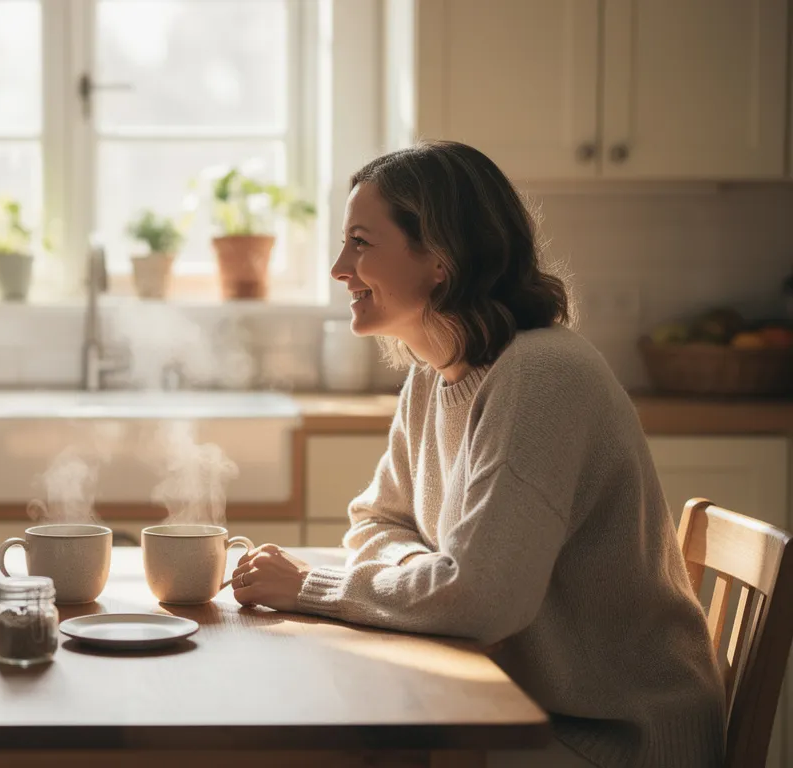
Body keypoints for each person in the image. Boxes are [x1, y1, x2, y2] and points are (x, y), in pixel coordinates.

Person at [228, 141, 725, 768]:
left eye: (361, 242)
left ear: (439, 258)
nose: (338, 268)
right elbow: (378, 523)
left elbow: (483, 600)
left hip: (613, 738)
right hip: (517, 706)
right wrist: (429, 576)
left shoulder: (542, 375)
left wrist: (311, 588)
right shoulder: (433, 375)